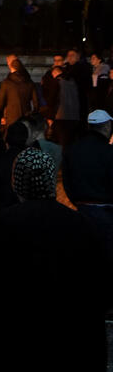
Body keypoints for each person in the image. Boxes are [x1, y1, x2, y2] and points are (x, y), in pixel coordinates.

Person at [0, 147, 111, 372]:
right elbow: (98, 289)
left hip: (9, 353)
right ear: (51, 180)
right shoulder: (80, 226)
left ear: (16, 182)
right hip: (67, 353)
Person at [62, 107, 113, 264]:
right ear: (106, 126)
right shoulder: (109, 151)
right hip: (106, 210)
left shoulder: (73, 149)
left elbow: (67, 181)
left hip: (81, 209)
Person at [0, 53, 37, 126]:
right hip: (26, 118)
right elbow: (35, 102)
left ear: (9, 64)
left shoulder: (7, 83)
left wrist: (0, 116)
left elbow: (0, 103)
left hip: (11, 118)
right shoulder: (30, 82)